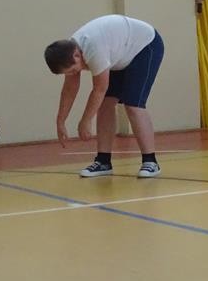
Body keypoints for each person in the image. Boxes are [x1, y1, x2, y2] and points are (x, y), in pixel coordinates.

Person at [44, 15, 164, 178]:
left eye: (73, 70)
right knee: (105, 104)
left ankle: (151, 162)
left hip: (145, 46)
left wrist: (85, 121)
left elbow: (99, 89)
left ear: (76, 55)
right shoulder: (70, 52)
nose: (73, 74)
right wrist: (60, 121)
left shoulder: (94, 48)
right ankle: (103, 161)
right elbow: (70, 89)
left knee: (133, 104)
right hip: (121, 53)